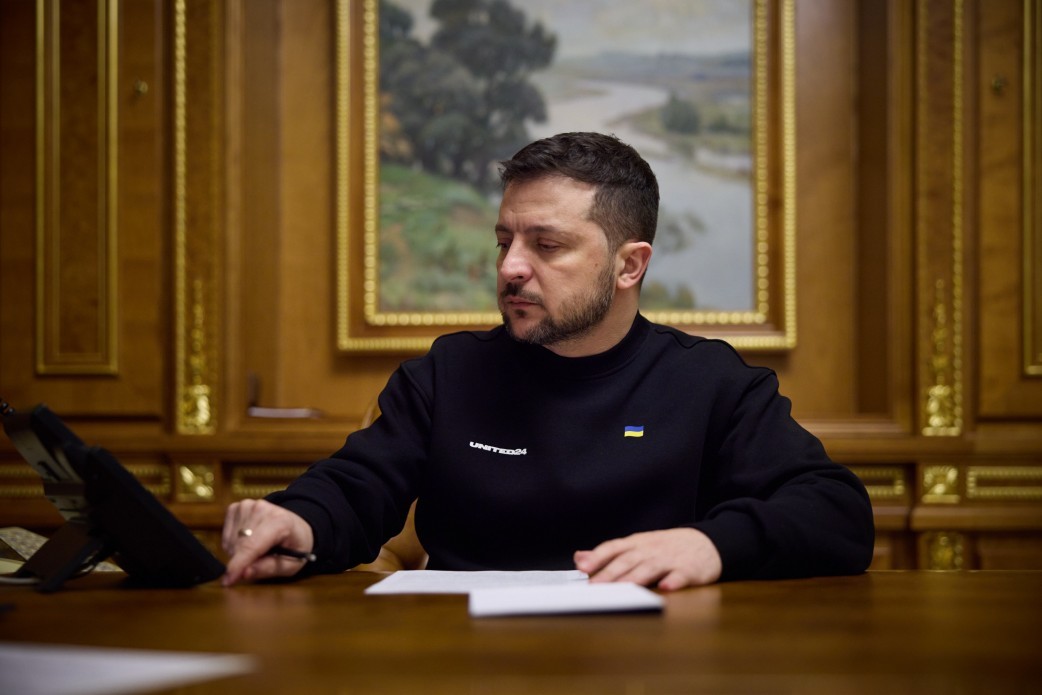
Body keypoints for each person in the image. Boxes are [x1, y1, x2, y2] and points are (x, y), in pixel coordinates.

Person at [222, 131, 875, 590]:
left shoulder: (708, 381)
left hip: (648, 665)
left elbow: (836, 511)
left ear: (629, 265)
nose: (511, 266)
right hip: (466, 662)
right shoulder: (449, 373)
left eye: (546, 244)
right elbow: (354, 488)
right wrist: (295, 519)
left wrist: (709, 544)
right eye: (504, 240)